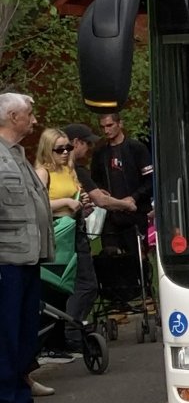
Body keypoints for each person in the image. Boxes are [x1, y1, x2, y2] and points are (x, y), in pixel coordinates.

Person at [0, 92, 55, 403]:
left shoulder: (17, 155)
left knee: (23, 332)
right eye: (30, 115)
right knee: (5, 333)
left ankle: (20, 400)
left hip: (28, 259)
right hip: (6, 261)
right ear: (12, 117)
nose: (35, 120)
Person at [30, 128, 83, 371]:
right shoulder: (43, 173)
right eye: (59, 149)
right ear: (47, 150)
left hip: (72, 230)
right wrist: (65, 202)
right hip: (53, 233)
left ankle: (60, 342)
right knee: (51, 286)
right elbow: (38, 206)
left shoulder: (69, 170)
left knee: (65, 288)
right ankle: (48, 345)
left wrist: (81, 204)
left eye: (68, 148)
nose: (64, 153)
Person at [88, 108, 151, 311]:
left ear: (119, 124)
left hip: (135, 211)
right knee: (110, 255)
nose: (106, 130)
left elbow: (150, 180)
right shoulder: (100, 153)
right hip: (111, 213)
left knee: (137, 256)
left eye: (110, 125)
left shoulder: (136, 148)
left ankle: (145, 292)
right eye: (103, 127)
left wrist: (134, 197)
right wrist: (102, 193)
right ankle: (116, 297)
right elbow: (94, 181)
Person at [61, 123, 100, 347]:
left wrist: (81, 205)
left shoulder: (64, 172)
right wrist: (127, 203)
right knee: (86, 285)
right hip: (73, 234)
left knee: (72, 284)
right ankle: (73, 332)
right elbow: (101, 200)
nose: (89, 148)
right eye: (86, 143)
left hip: (72, 230)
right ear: (76, 143)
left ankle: (70, 330)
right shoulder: (76, 171)